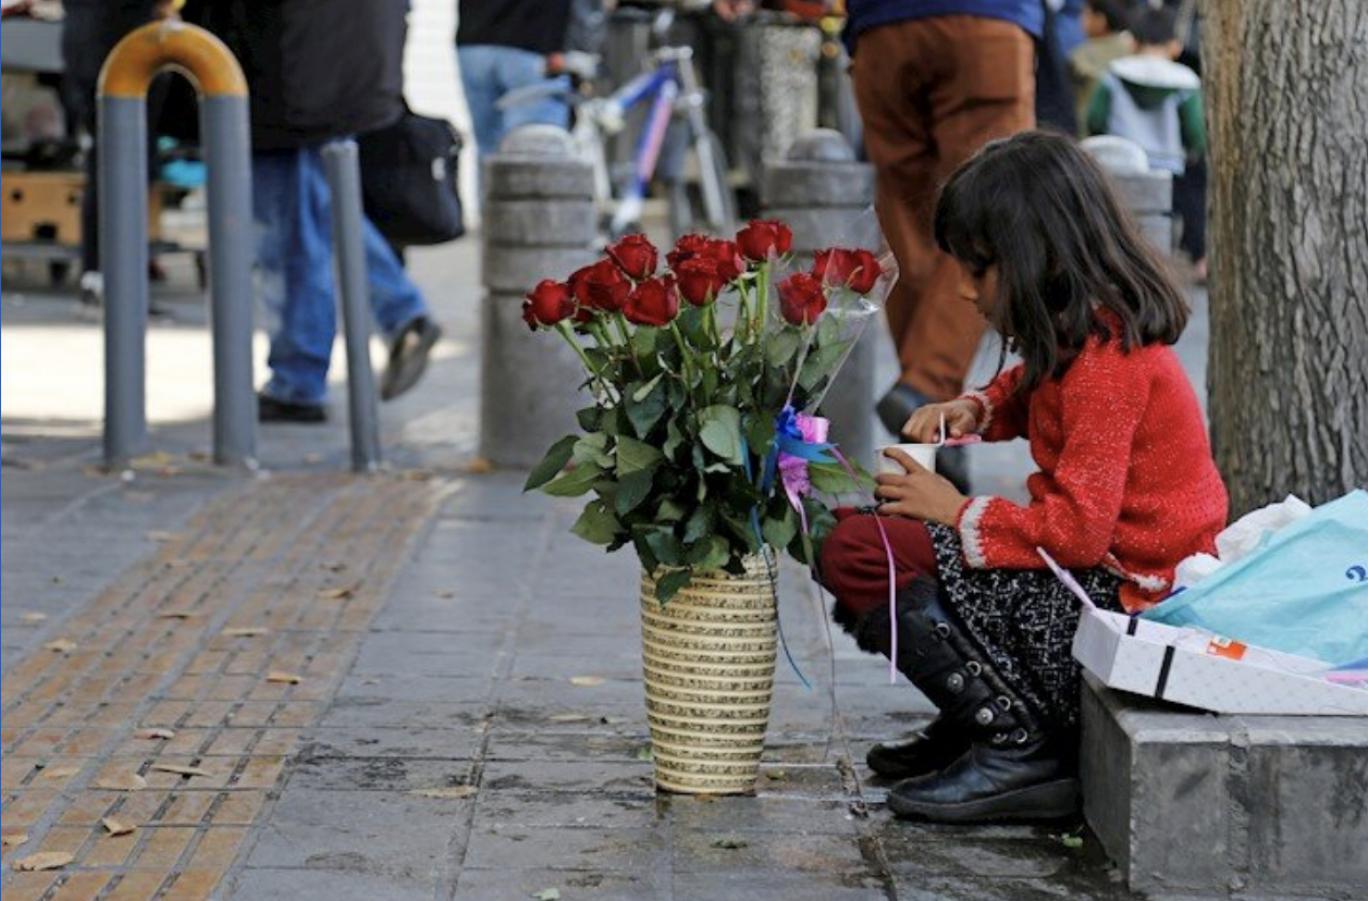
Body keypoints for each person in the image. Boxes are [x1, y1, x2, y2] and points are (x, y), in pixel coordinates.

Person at [819, 131, 1228, 823]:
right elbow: (1031, 385)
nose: (962, 289)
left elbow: (1074, 531)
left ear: (1036, 260)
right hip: (1094, 578)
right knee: (857, 535)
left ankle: (1017, 740)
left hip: (1120, 599)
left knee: (863, 548)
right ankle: (979, 714)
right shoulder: (1084, 333)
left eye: (978, 270)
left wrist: (952, 511)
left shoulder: (1108, 362)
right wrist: (972, 407)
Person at [193, 0, 442, 422]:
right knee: (318, 205)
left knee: (289, 231)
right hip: (339, 70)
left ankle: (299, 379)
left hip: (287, 71)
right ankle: (400, 311)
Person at [843, 0, 1038, 492]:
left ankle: (930, 430)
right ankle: (927, 387)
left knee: (911, 217)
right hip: (989, 20)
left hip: (880, 29)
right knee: (996, 206)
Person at [1085, 5, 1206, 276]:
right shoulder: (1185, 81)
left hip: (1121, 163)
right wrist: (1194, 149)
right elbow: (1195, 130)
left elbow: (1095, 117)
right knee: (1173, 215)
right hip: (1168, 166)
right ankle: (1189, 262)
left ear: (1133, 42)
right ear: (1174, 46)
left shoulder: (1113, 74)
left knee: (1119, 218)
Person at [456, 0, 594, 160]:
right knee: (535, 154)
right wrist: (582, 48)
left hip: (473, 42)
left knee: (489, 154)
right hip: (536, 45)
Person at [1069, 0, 1135, 131]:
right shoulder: (1132, 47)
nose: (1081, 20)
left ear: (1100, 20)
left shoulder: (1082, 54)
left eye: (1086, 14)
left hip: (1088, 129)